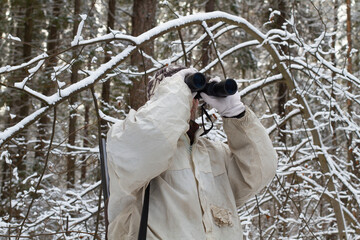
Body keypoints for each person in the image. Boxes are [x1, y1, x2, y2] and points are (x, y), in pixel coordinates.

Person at [106, 65, 278, 239]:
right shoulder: (128, 140)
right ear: (161, 99)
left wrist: (236, 114)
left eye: (194, 95)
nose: (191, 101)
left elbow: (261, 170)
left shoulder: (215, 154)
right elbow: (150, 141)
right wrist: (176, 90)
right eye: (184, 93)